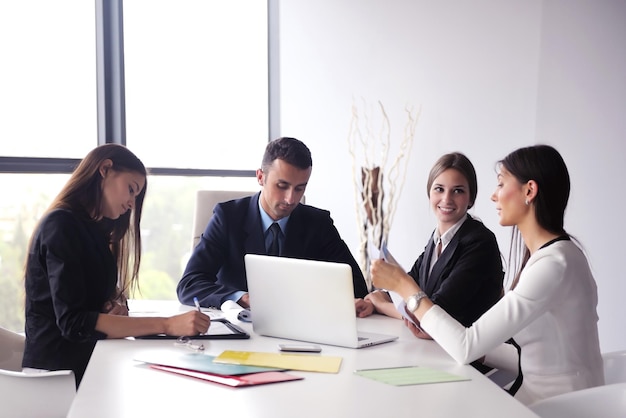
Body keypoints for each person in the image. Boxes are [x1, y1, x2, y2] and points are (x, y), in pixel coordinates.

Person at [371, 144, 604, 405]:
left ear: (529, 191)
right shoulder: (556, 257)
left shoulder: (554, 265)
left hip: (557, 408)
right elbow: (540, 355)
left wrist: (405, 287)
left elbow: (465, 345)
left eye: (501, 184)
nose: (494, 196)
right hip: (542, 398)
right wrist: (485, 353)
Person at [22, 144, 210, 387]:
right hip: (55, 377)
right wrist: (167, 324)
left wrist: (111, 307)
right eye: (131, 190)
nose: (132, 203)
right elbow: (75, 323)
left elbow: (86, 305)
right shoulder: (61, 225)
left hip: (88, 364)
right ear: (105, 169)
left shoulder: (94, 231)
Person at [177, 137, 369, 310]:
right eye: (282, 186)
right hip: (240, 329)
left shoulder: (318, 224)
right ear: (260, 177)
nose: (290, 199)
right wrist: (240, 298)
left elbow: (357, 287)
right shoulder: (227, 217)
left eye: (299, 188)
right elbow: (190, 285)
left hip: (301, 329)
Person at [357, 152, 504, 337]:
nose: (446, 199)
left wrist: (381, 305)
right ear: (429, 193)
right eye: (439, 189)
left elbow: (434, 316)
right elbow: (411, 285)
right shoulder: (437, 239)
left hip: (472, 361)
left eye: (458, 190)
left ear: (471, 198)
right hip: (435, 350)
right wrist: (372, 302)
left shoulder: (479, 243)